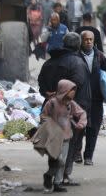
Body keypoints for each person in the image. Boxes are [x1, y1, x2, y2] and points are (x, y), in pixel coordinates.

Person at [37, 32, 92, 186]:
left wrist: (50, 95)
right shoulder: (78, 63)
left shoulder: (49, 62)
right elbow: (79, 84)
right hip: (68, 113)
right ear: (78, 45)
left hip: (51, 110)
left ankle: (55, 175)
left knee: (53, 145)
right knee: (70, 144)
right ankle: (64, 176)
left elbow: (41, 84)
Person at [39, 79, 86, 193]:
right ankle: (49, 175)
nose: (68, 100)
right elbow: (43, 116)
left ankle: (57, 183)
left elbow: (82, 113)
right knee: (56, 159)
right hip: (53, 137)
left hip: (66, 136)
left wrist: (81, 124)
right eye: (67, 97)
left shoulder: (71, 104)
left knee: (63, 161)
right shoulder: (52, 103)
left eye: (70, 98)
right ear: (62, 92)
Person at [77, 30, 106, 166]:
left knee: (93, 130)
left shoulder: (100, 57)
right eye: (86, 39)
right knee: (79, 128)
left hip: (96, 99)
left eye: (90, 40)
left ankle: (88, 156)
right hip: (79, 100)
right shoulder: (76, 56)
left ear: (94, 41)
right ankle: (77, 153)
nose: (88, 42)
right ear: (81, 41)